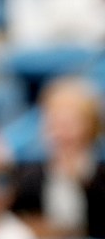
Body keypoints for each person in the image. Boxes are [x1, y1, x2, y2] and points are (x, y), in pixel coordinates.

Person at [11, 75, 105, 238]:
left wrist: (83, 182)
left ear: (90, 126)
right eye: (54, 124)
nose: (60, 133)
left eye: (69, 124)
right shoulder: (29, 174)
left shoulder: (99, 175)